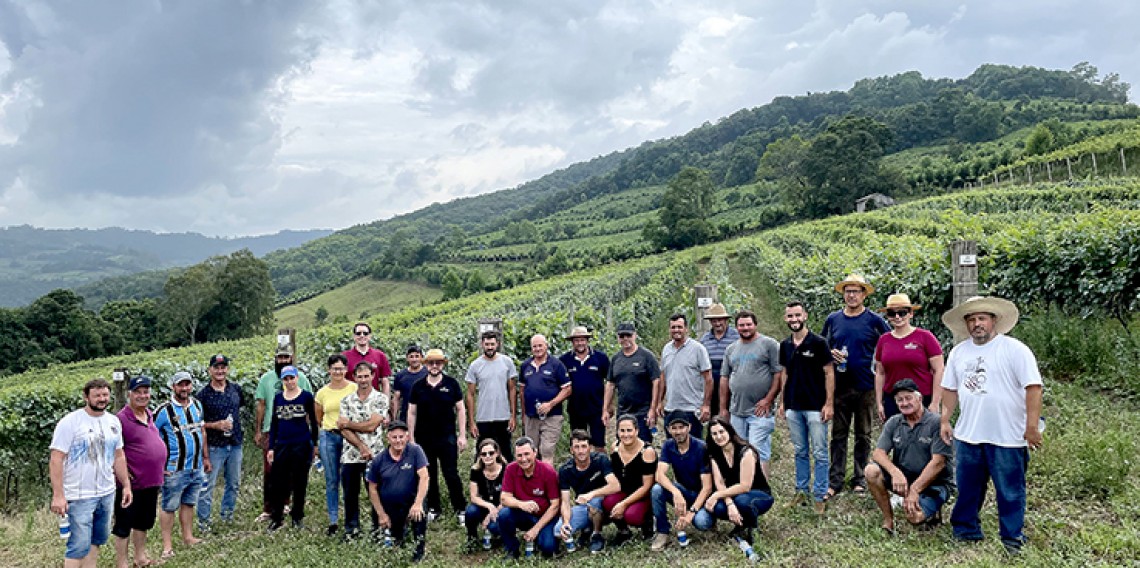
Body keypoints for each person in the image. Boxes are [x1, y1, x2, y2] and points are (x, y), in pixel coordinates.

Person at [939, 296, 1043, 555]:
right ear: (966, 324)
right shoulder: (959, 352)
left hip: (1007, 436)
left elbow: (1033, 388)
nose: (977, 324)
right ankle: (965, 530)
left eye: (982, 318)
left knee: (1010, 490)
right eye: (972, 319)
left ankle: (1012, 539)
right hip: (969, 434)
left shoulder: (1015, 349)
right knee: (967, 488)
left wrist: (1031, 427)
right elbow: (950, 389)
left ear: (993, 320)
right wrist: (944, 419)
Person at [49, 379, 132, 568]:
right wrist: (58, 495)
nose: (102, 399)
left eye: (105, 395)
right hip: (79, 496)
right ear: (86, 397)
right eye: (97, 395)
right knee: (78, 545)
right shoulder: (70, 422)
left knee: (97, 540)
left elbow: (118, 456)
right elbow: (56, 459)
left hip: (106, 492)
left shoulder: (113, 422)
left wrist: (126, 485)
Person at [821, 274, 890, 498]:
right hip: (839, 386)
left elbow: (890, 342)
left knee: (863, 434)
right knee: (838, 435)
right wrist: (830, 353)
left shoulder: (874, 320)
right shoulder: (833, 319)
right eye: (847, 291)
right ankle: (836, 480)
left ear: (863, 295)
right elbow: (823, 346)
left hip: (866, 386)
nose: (851, 295)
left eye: (856, 291)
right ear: (843, 294)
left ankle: (860, 478)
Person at [866, 379, 954, 536]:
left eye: (908, 398)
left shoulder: (936, 423)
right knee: (871, 471)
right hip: (903, 480)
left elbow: (939, 462)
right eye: (900, 400)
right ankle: (888, 520)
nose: (904, 403)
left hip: (934, 484)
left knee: (914, 517)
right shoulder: (894, 422)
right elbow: (878, 453)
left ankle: (930, 510)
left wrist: (915, 490)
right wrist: (895, 472)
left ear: (919, 399)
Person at [780, 301, 835, 514]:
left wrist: (829, 403)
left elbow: (829, 372)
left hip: (815, 406)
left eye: (797, 315)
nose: (794, 320)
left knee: (820, 452)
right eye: (790, 316)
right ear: (786, 319)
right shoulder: (785, 345)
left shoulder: (819, 343)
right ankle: (801, 491)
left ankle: (820, 495)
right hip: (794, 407)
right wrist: (783, 402)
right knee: (800, 451)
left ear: (805, 316)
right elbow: (785, 373)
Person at [694, 417, 774, 554]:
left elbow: (745, 486)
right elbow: (719, 483)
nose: (719, 437)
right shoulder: (715, 454)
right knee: (718, 507)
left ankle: (752, 529)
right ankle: (740, 526)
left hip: (759, 494)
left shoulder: (746, 452)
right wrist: (729, 503)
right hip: (733, 495)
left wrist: (717, 495)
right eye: (714, 434)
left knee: (742, 501)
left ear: (729, 431)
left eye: (721, 431)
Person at [720, 309, 784, 479]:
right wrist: (723, 408)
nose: (745, 328)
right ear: (736, 327)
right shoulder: (731, 349)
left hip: (759, 410)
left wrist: (769, 399)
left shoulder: (770, 345)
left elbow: (778, 374)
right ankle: (744, 486)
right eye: (741, 325)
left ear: (755, 325)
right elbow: (725, 378)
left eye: (748, 324)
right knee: (739, 449)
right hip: (737, 410)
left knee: (756, 449)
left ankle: (762, 489)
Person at [408, 348, 468, 524]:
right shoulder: (418, 386)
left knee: (451, 473)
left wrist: (462, 435)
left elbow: (460, 409)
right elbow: (412, 412)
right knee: (429, 473)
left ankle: (460, 508)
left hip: (447, 437)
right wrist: (411, 437)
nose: (434, 366)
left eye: (438, 362)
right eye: (431, 362)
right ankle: (434, 507)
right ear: (426, 364)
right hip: (424, 438)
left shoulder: (451, 384)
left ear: (442, 364)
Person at [254, 345, 313, 522]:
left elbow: (310, 410)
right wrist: (259, 430)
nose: (283, 360)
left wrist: (309, 435)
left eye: (286, 357)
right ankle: (270, 509)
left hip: (298, 437)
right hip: (273, 433)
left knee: (296, 475)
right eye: (280, 357)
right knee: (272, 473)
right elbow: (262, 406)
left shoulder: (302, 380)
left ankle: (292, 509)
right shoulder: (267, 380)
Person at [112, 376, 165, 568]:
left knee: (143, 522)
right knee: (124, 524)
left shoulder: (149, 414)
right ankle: (122, 563)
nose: (142, 396)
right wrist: (123, 474)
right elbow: (113, 451)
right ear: (129, 394)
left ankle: (140, 557)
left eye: (145, 392)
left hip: (151, 480)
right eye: (138, 392)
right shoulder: (120, 419)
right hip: (130, 484)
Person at [154, 371, 208, 561]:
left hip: (195, 465)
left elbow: (201, 431)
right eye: (180, 385)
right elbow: (153, 439)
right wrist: (158, 466)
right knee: (169, 506)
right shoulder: (163, 411)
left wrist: (205, 457)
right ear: (173, 387)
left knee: (188, 503)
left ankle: (188, 536)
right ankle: (167, 546)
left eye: (187, 384)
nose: (184, 388)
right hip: (174, 468)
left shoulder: (197, 406)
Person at [338, 362, 389, 540]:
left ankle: (378, 529)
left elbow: (372, 425)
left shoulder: (381, 398)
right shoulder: (346, 400)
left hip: (376, 455)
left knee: (376, 492)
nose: (363, 380)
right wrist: (361, 446)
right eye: (360, 376)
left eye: (366, 376)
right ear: (354, 377)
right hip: (351, 455)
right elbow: (341, 429)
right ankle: (352, 530)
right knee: (350, 495)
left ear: (373, 376)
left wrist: (350, 424)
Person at [649, 410, 713, 551]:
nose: (678, 432)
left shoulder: (701, 447)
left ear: (689, 427)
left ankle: (709, 518)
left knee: (702, 523)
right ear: (668, 429)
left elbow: (707, 487)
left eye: (681, 427)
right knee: (657, 489)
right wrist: (676, 492)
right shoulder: (668, 446)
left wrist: (691, 513)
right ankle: (662, 531)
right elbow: (659, 475)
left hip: (701, 496)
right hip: (683, 491)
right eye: (674, 428)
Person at [366, 421, 429, 563]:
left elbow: (424, 476)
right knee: (392, 539)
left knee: (419, 516)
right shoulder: (379, 460)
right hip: (389, 506)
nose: (398, 440)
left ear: (407, 437)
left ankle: (418, 553)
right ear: (388, 438)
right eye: (394, 437)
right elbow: (372, 488)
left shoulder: (415, 451)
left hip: (411, 502)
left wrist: (418, 503)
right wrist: (381, 514)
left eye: (401, 437)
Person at [874, 293, 944, 420]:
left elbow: (939, 370)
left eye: (902, 313)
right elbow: (880, 373)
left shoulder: (925, 337)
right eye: (891, 313)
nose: (897, 317)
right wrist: (879, 403)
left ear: (911, 313)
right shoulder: (884, 340)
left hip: (921, 398)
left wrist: (935, 402)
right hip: (894, 400)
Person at [265, 366, 319, 532]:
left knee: (299, 482)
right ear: (282, 381)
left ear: (297, 378)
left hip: (301, 444)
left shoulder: (306, 397)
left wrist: (314, 444)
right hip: (282, 444)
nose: (289, 382)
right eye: (286, 379)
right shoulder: (278, 398)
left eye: (291, 378)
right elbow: (274, 423)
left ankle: (297, 516)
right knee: (278, 482)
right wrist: (271, 447)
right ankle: (277, 517)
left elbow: (314, 422)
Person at [196, 354, 244, 532]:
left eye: (223, 367)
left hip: (235, 443)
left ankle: (227, 516)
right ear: (210, 370)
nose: (220, 371)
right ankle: (204, 523)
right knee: (207, 486)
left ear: (227, 369)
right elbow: (197, 423)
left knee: (234, 483)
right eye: (216, 367)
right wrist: (215, 425)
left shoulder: (235, 389)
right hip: (214, 446)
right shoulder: (203, 395)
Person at [553, 430, 620, 554]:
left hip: (606, 504)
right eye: (576, 447)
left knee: (594, 502)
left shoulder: (600, 459)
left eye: (584, 446)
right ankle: (587, 529)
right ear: (571, 450)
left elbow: (615, 486)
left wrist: (591, 494)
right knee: (558, 531)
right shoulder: (565, 470)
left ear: (590, 447)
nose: (581, 451)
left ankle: (597, 535)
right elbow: (566, 502)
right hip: (584, 506)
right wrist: (566, 522)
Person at [496, 437, 561, 560]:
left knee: (548, 548)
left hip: (545, 516)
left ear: (535, 452)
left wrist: (536, 529)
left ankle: (539, 537)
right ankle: (512, 550)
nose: (523, 459)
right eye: (519, 455)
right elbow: (504, 498)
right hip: (524, 514)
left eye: (527, 454)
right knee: (504, 514)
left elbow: (555, 505)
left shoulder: (548, 471)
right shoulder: (511, 469)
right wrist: (521, 504)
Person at [315, 353, 358, 535]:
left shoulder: (354, 388)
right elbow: (319, 417)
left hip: (350, 436)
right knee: (332, 479)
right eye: (334, 369)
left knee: (349, 479)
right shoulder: (322, 393)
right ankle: (333, 520)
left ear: (346, 369)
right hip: (329, 436)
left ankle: (351, 518)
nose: (337, 372)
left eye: (340, 368)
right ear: (329, 370)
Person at [604, 414, 658, 547]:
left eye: (629, 430)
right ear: (617, 432)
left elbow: (647, 486)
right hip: (623, 491)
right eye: (622, 431)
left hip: (643, 495)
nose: (625, 434)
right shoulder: (614, 447)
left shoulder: (647, 451)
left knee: (632, 516)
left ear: (637, 431)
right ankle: (623, 531)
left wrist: (623, 504)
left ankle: (648, 522)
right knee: (607, 503)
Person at [603, 322, 661, 443]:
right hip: (623, 411)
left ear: (635, 335)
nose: (625, 339)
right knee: (623, 444)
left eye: (628, 335)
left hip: (642, 411)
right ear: (618, 338)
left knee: (644, 445)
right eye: (622, 336)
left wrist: (653, 408)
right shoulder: (616, 359)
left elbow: (656, 381)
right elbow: (610, 384)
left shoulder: (646, 356)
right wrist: (605, 409)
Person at [465, 332, 518, 461]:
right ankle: (478, 481)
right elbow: (470, 394)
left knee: (506, 453)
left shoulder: (507, 362)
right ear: (482, 344)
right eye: (487, 344)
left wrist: (513, 415)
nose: (489, 347)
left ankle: (507, 480)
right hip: (483, 418)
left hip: (503, 416)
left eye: (492, 344)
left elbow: (512, 389)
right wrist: (471, 422)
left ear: (497, 344)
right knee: (481, 455)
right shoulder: (475, 365)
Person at [657, 313, 713, 437]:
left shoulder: (698, 349)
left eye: (679, 327)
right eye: (673, 327)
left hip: (692, 409)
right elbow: (663, 378)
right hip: (671, 408)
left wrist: (706, 405)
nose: (676, 330)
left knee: (693, 447)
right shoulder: (666, 349)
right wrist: (660, 402)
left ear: (686, 329)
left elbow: (708, 379)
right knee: (672, 446)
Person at [520, 334, 571, 464]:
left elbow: (567, 389)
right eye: (534, 346)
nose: (537, 349)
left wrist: (550, 404)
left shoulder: (556, 364)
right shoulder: (525, 366)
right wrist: (524, 415)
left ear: (546, 346)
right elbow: (522, 391)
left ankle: (547, 483)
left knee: (546, 450)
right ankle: (532, 482)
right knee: (530, 451)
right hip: (531, 417)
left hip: (552, 416)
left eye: (540, 345)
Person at [559, 326, 610, 451]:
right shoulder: (564, 360)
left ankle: (600, 466)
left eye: (582, 340)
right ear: (572, 342)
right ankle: (581, 467)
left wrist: (609, 405)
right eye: (576, 340)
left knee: (599, 442)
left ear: (587, 340)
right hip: (575, 408)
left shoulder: (600, 358)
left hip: (597, 407)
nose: (580, 343)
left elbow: (610, 382)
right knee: (578, 442)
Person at [464, 439, 508, 552]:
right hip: (484, 506)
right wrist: (489, 506)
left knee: (494, 527)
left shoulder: (506, 469)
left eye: (491, 453)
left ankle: (501, 537)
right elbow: (473, 496)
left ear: (497, 453)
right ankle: (472, 539)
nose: (487, 456)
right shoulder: (476, 470)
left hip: (502, 507)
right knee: (470, 511)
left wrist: (491, 514)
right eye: (484, 454)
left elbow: (509, 496)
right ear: (480, 456)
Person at [700, 303, 739, 419]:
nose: (717, 323)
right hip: (712, 380)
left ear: (726, 320)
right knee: (715, 415)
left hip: (731, 379)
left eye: (720, 320)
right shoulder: (705, 339)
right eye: (714, 321)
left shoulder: (736, 336)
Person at [342, 322, 393, 397]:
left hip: (374, 402)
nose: (362, 336)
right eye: (358, 333)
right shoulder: (344, 356)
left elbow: (385, 382)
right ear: (354, 336)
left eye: (365, 333)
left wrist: (385, 403)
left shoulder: (380, 355)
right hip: (352, 403)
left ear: (370, 336)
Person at [391, 344, 428, 422]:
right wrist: (394, 419)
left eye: (417, 356)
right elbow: (396, 398)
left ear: (421, 358)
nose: (414, 359)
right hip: (406, 417)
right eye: (411, 357)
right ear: (407, 358)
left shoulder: (428, 374)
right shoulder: (400, 375)